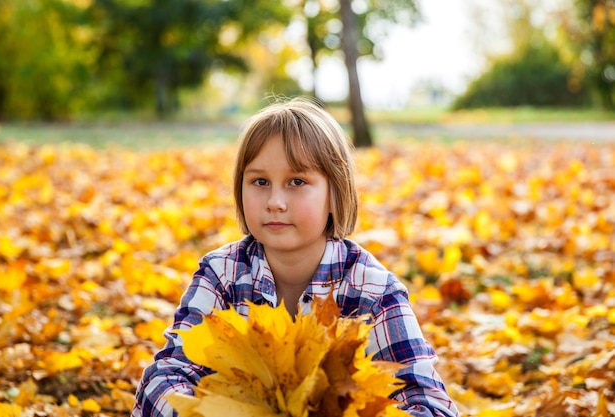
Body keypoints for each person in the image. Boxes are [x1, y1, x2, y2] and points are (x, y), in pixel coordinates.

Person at [132, 97, 459, 417]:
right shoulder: (222, 274)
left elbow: (430, 403)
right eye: (260, 181)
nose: (275, 201)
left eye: (297, 182)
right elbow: (165, 378)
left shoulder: (371, 290)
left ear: (335, 193)